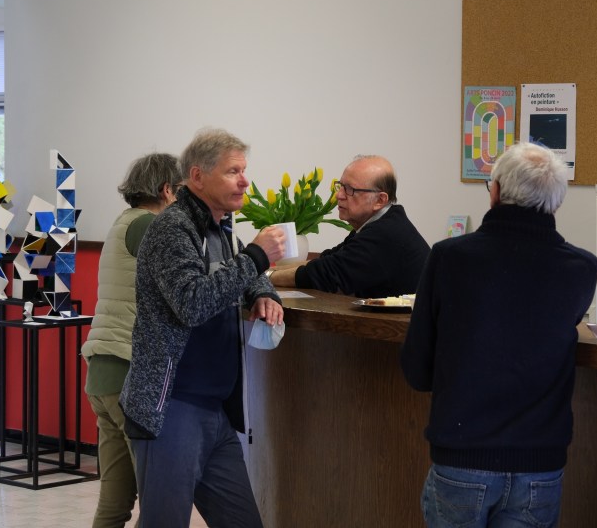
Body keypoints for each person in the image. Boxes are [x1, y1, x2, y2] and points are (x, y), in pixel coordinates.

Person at [400, 142, 597, 528]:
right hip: (541, 463)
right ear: (557, 203)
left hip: (463, 455)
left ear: (495, 192)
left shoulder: (449, 257)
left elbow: (417, 369)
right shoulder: (582, 268)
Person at [120, 128, 286, 528]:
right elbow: (193, 303)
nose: (244, 181)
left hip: (215, 410)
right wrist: (258, 256)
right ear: (197, 176)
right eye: (232, 172)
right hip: (172, 407)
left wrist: (263, 293)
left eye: (243, 171)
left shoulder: (221, 227)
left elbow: (240, 275)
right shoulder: (172, 228)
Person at [81, 153, 181, 528]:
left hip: (103, 375)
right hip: (130, 377)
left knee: (115, 503)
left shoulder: (124, 222)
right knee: (160, 501)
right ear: (167, 190)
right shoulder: (149, 226)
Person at [267, 155, 430, 297]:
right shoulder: (378, 224)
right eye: (341, 186)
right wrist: (266, 272)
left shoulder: (387, 233)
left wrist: (266, 277)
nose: (339, 195)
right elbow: (327, 260)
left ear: (380, 200)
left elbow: (326, 274)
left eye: (350, 189)